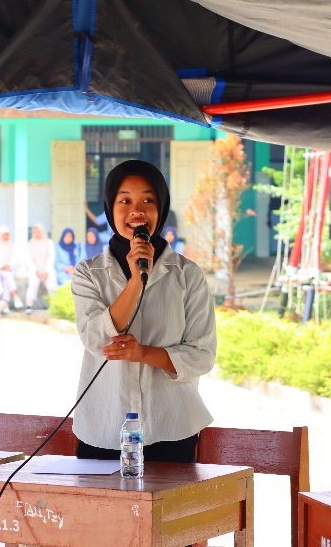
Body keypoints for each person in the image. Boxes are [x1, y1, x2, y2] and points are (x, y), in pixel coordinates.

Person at [70, 159, 216, 466]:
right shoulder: (88, 273)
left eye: (148, 200)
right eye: (125, 201)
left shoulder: (187, 275)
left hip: (171, 429)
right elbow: (95, 339)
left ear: (161, 209)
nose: (137, 211)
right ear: (110, 208)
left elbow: (202, 356)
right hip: (102, 429)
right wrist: (137, 281)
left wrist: (144, 353)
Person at [24, 223, 57, 313]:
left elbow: (51, 258)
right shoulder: (30, 243)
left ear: (42, 231)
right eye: (35, 231)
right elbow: (28, 260)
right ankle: (29, 306)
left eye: (38, 231)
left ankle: (55, 307)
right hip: (35, 270)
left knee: (51, 285)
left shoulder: (49, 242)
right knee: (33, 284)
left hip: (48, 269)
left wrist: (46, 271)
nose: (36, 233)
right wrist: (37, 271)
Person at [0, 226, 24, 314]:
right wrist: (1, 266)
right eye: (4, 235)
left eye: (8, 234)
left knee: (7, 278)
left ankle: (6, 304)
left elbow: (17, 259)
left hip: (9, 270)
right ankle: (15, 296)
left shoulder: (13, 245)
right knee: (6, 277)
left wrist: (9, 265)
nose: (6, 236)